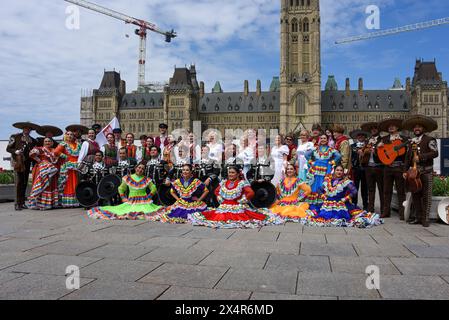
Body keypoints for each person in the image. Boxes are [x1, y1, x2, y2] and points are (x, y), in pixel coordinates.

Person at [188, 165, 281, 229]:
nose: (230, 174)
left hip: (237, 206)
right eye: (229, 173)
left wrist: (243, 200)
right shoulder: (224, 182)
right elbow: (216, 191)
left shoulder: (242, 183)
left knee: (238, 218)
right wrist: (220, 198)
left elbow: (251, 193)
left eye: (232, 173)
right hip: (224, 206)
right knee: (217, 217)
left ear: (237, 174)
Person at [308, 165, 383, 228]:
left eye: (341, 170)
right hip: (328, 203)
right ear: (334, 171)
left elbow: (354, 191)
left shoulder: (346, 182)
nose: (339, 172)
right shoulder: (328, 181)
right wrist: (323, 196)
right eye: (337, 170)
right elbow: (319, 189)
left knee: (342, 216)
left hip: (340, 204)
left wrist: (346, 198)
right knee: (321, 215)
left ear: (343, 172)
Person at [87, 162, 164, 220]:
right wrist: (123, 198)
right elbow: (121, 188)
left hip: (144, 202)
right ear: (135, 168)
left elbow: (153, 188)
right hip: (131, 202)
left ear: (144, 171)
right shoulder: (128, 177)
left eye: (142, 169)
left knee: (150, 212)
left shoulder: (146, 179)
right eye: (139, 167)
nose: (140, 170)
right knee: (120, 211)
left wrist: (149, 197)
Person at [403, 115, 439, 227]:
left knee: (426, 196)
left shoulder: (430, 140)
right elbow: (407, 158)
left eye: (419, 127)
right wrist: (404, 171)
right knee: (415, 195)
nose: (416, 129)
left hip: (426, 171)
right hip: (414, 173)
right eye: (415, 127)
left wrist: (421, 157)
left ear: (423, 128)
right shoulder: (411, 142)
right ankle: (417, 218)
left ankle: (425, 219)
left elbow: (435, 153)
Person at [378, 118, 408, 220]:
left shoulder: (404, 139)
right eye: (389, 126)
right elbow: (380, 156)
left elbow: (407, 156)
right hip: (387, 168)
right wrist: (379, 148)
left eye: (393, 126)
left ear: (397, 128)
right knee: (386, 191)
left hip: (399, 167)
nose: (391, 127)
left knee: (401, 191)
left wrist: (405, 169)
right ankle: (386, 212)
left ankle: (402, 213)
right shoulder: (384, 139)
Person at [7, 122, 39, 211]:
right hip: (18, 162)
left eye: (29, 129)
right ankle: (17, 204)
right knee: (18, 183)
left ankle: (22, 203)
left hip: (27, 163)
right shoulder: (15, 137)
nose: (27, 130)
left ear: (31, 130)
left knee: (24, 183)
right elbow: (8, 148)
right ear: (23, 128)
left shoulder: (33, 140)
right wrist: (15, 151)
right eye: (26, 128)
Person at [305, 134, 341, 210]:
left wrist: (332, 162)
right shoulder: (316, 148)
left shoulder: (330, 149)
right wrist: (311, 162)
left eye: (325, 138)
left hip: (325, 169)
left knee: (324, 184)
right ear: (319, 139)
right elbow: (306, 154)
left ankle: (323, 204)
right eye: (321, 138)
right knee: (314, 184)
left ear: (327, 140)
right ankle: (314, 204)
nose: (323, 140)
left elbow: (338, 156)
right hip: (316, 168)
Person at [27, 138, 59, 210]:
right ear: (43, 142)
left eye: (49, 141)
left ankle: (49, 203)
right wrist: (40, 161)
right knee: (43, 185)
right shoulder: (41, 149)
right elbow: (32, 154)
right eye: (46, 141)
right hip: (43, 170)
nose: (47, 143)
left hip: (52, 171)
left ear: (52, 143)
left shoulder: (54, 150)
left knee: (50, 186)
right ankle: (40, 204)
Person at [361, 122, 385, 216]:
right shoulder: (367, 141)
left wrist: (375, 152)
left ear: (378, 130)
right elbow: (363, 153)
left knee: (381, 189)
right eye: (372, 129)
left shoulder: (382, 140)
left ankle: (383, 209)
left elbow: (385, 155)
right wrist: (362, 152)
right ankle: (370, 208)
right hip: (369, 167)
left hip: (379, 167)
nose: (373, 130)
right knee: (370, 189)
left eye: (375, 128)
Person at [55, 131, 81, 208]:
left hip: (76, 166)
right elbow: (56, 152)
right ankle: (67, 202)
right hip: (68, 166)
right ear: (65, 136)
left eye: (71, 134)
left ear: (74, 136)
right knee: (67, 183)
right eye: (68, 134)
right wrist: (65, 156)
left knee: (76, 182)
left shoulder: (78, 144)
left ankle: (76, 200)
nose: (70, 136)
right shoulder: (63, 143)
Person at [350, 129, 369, 210]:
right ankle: (354, 204)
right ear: (357, 137)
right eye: (359, 135)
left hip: (365, 169)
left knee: (365, 188)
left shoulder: (368, 146)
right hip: (356, 169)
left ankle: (366, 205)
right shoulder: (353, 146)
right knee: (355, 188)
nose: (361, 137)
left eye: (362, 135)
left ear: (365, 137)